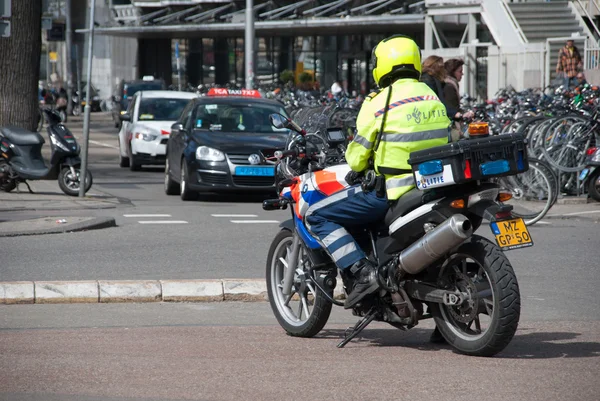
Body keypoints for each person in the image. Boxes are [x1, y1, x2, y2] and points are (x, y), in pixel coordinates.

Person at [305, 35, 451, 310]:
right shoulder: (431, 94)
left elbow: (357, 160)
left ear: (381, 67)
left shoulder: (379, 102)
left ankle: (362, 273)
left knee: (317, 214)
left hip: (393, 191)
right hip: (432, 186)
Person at [421, 55, 459, 120]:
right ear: (437, 68)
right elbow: (438, 101)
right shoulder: (431, 81)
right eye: (442, 67)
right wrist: (454, 113)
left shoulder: (424, 78)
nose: (444, 70)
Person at [443, 58, 474, 139]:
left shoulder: (449, 84)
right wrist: (463, 115)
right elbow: (452, 110)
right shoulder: (449, 86)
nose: (462, 74)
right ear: (452, 72)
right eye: (460, 71)